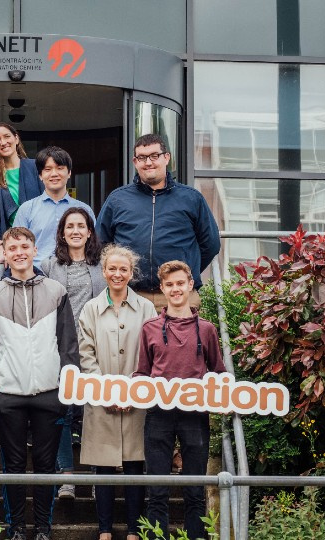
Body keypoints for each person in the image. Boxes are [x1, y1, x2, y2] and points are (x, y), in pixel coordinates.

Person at [0, 227, 80, 540]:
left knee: (47, 466)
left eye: (25, 246)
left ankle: (43, 529)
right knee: (13, 467)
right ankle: (17, 527)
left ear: (35, 250)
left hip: (50, 393)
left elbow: (68, 345)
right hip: (8, 393)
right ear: (5, 254)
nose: (19, 252)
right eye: (13, 248)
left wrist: (66, 386)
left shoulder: (56, 291)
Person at [135, 260, 226, 540]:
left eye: (180, 284)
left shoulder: (208, 329)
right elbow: (142, 372)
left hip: (195, 414)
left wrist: (222, 395)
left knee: (194, 489)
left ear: (190, 285)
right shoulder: (150, 328)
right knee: (157, 489)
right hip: (158, 413)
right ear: (162, 288)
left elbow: (219, 372)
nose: (175, 289)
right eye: (169, 285)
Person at [78, 245, 157, 540]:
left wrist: (132, 392)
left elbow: (150, 354)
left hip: (136, 400)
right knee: (104, 467)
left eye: (123, 269)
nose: (117, 274)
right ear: (103, 271)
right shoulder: (90, 309)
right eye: (112, 268)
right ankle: (105, 529)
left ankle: (136, 529)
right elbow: (85, 353)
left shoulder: (147, 308)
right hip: (101, 399)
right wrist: (105, 392)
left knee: (136, 465)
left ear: (131, 273)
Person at [96, 133, 220, 309]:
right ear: (135, 162)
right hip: (130, 295)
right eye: (142, 157)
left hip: (177, 295)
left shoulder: (191, 198)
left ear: (166, 158)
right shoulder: (117, 199)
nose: (148, 162)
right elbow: (101, 244)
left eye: (154, 156)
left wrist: (183, 272)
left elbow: (211, 244)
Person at [39, 206, 105, 499]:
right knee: (62, 411)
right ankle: (66, 477)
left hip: (94, 346)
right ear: (62, 233)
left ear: (90, 231)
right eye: (70, 226)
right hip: (58, 346)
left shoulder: (102, 264)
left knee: (91, 412)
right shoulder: (49, 265)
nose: (75, 231)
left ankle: (92, 475)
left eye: (81, 226)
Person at [14, 146, 95, 266]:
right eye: (48, 169)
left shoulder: (84, 210)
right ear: (40, 175)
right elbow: (17, 247)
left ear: (69, 173)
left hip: (75, 275)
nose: (54, 174)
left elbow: (92, 246)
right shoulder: (26, 209)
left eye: (60, 168)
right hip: (38, 276)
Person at [0, 122, 44, 266]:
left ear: (16, 138)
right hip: (12, 246)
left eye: (7, 136)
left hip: (41, 241)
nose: (3, 142)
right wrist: (2, 252)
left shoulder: (35, 167)